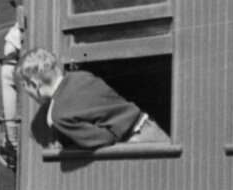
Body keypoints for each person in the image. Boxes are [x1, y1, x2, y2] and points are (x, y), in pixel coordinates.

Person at [15, 48, 170, 150]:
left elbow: (104, 139)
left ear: (34, 84)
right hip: (151, 128)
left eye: (24, 86)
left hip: (137, 145)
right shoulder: (82, 76)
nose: (27, 93)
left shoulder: (58, 115)